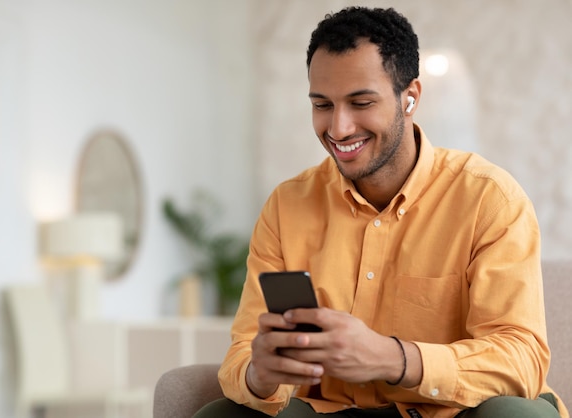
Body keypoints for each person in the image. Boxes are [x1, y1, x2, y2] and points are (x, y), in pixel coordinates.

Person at [194, 6, 567, 418]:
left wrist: (393, 358)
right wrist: (260, 376)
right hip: (331, 410)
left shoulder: (489, 199)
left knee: (520, 415)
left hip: (447, 411)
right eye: (322, 105)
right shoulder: (287, 206)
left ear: (410, 98)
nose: (338, 128)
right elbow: (241, 356)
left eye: (361, 102)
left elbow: (520, 359)